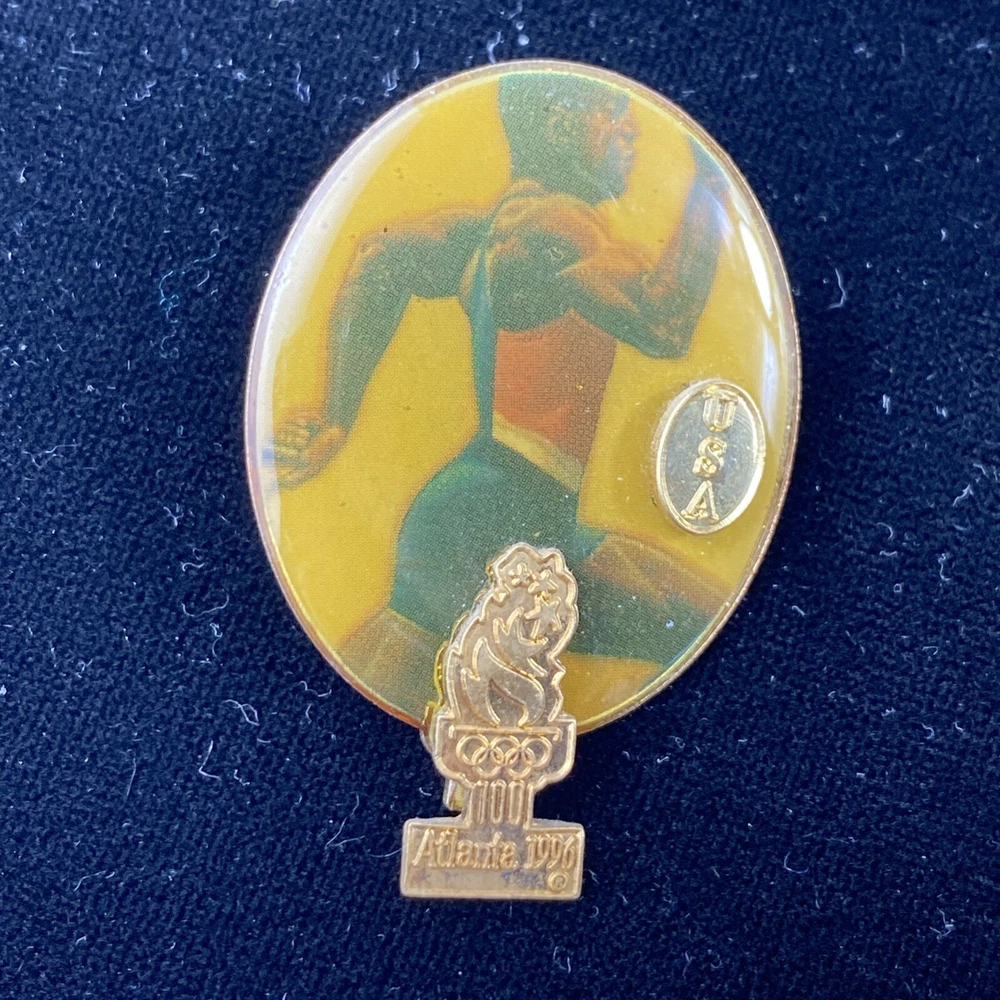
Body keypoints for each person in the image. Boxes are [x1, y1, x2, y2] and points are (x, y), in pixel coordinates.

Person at [272, 72, 730, 719]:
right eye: (612, 115)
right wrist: (711, 189)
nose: (630, 132)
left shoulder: (487, 228)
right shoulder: (555, 229)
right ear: (559, 125)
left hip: (509, 512)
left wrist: (335, 415)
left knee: (377, 679)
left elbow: (382, 258)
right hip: (496, 517)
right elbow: (664, 320)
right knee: (698, 624)